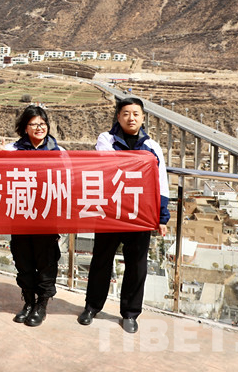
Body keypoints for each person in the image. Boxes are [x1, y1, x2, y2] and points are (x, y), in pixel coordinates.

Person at [77, 96, 170, 334]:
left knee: (136, 266)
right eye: (126, 113)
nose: (131, 118)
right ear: (118, 117)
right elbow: (110, 164)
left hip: (141, 214)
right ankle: (92, 307)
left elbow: (161, 182)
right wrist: (141, 162)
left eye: (136, 114)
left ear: (143, 118)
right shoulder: (106, 139)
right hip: (110, 212)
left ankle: (130, 313)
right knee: (101, 261)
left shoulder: (153, 147)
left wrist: (162, 216)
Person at [0, 105, 64, 327]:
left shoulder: (58, 151)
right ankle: (28, 302)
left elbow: (69, 180)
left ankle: (41, 305)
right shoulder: (12, 149)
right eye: (33, 124)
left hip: (46, 215)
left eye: (42, 124)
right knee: (23, 259)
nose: (38, 128)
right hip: (20, 213)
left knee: (46, 261)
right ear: (25, 128)